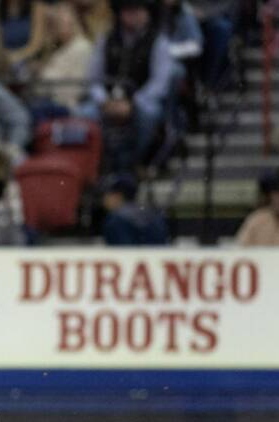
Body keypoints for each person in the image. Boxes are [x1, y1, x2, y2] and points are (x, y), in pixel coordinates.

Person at [84, 0, 175, 174]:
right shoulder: (107, 39)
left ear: (147, 13)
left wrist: (132, 103)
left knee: (149, 112)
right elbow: (94, 79)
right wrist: (104, 100)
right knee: (84, 114)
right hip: (109, 101)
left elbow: (160, 83)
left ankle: (134, 161)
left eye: (138, 10)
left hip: (140, 100)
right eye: (128, 10)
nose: (133, 15)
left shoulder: (158, 40)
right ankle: (99, 165)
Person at [99, 172, 169, 245]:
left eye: (106, 194)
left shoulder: (115, 219)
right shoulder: (154, 215)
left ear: (117, 196)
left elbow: (123, 253)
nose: (103, 199)